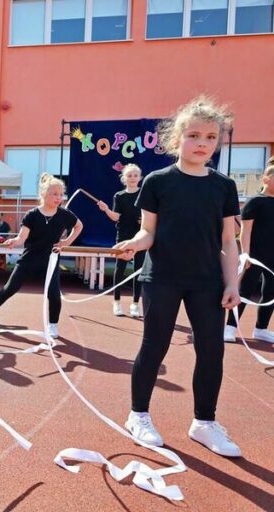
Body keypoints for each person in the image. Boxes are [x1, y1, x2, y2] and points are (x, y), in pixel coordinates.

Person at [114, 96, 242, 457]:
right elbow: (148, 232)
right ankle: (138, 414)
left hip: (208, 281)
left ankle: (204, 422)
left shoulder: (223, 186)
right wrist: (135, 245)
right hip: (163, 277)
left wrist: (232, 283)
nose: (202, 143)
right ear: (177, 139)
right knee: (154, 346)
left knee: (212, 351)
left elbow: (228, 242)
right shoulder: (157, 181)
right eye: (194, 135)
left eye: (211, 137)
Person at [0, 174, 83, 339]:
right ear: (44, 194)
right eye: (54, 194)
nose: (59, 197)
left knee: (53, 293)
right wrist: (15, 241)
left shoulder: (65, 215)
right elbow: (21, 237)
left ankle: (53, 325)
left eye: (61, 194)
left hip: (50, 260)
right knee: (9, 288)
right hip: (29, 259)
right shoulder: (32, 215)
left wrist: (66, 242)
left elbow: (79, 226)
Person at [224, 163, 274, 343]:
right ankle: (229, 328)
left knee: (271, 291)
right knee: (245, 290)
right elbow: (246, 231)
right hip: (255, 256)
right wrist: (245, 254)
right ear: (266, 179)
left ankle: (261, 329)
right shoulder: (255, 202)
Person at [97, 164, 144, 317]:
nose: (132, 178)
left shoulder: (144, 194)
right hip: (123, 236)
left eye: (135, 175)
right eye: (129, 175)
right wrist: (106, 210)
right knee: (120, 269)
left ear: (140, 177)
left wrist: (143, 222)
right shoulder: (119, 196)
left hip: (141, 237)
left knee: (139, 270)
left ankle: (135, 304)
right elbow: (115, 217)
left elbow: (150, 215)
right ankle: (117, 302)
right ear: (124, 178)